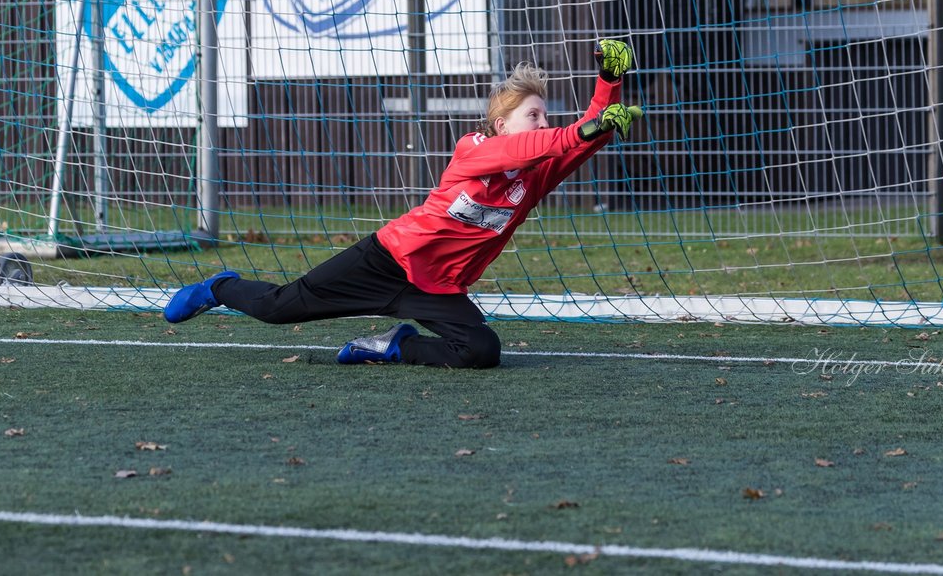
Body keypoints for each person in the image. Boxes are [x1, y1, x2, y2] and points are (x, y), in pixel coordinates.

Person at [163, 40, 643, 369]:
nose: (542, 122)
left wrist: (609, 80)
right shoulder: (474, 148)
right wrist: (582, 129)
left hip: (435, 288)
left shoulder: (534, 175)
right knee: (276, 308)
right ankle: (220, 287)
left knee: (481, 352)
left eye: (546, 114)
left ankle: (396, 346)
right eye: (531, 115)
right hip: (387, 261)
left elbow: (580, 140)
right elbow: (555, 141)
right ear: (501, 124)